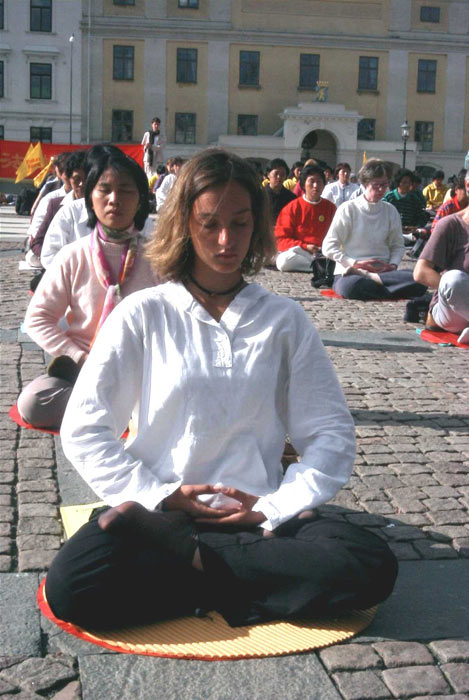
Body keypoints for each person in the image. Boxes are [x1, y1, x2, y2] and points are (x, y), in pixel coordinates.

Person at [44, 149, 397, 631]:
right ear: (184, 225)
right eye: (209, 224)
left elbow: (329, 433)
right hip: (159, 516)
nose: (226, 240)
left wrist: (275, 506)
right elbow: (85, 427)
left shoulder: (284, 319)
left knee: (369, 563)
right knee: (72, 584)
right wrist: (160, 495)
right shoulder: (144, 313)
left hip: (257, 518)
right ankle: (246, 579)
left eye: (240, 223)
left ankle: (195, 565)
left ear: (256, 227)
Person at [17, 145, 158, 429]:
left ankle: (113, 412)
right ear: (90, 198)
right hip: (84, 368)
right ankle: (120, 414)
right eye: (104, 190)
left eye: (126, 191)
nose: (114, 200)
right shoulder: (74, 255)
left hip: (143, 369)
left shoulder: (157, 257)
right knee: (33, 402)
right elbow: (37, 319)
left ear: (141, 200)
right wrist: (79, 358)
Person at [322, 159, 427, 300]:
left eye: (384, 185)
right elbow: (328, 246)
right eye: (376, 185)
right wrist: (354, 263)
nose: (381, 190)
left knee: (420, 281)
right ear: (365, 184)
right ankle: (388, 286)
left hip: (383, 271)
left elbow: (397, 245)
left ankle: (374, 279)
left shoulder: (390, 210)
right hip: (352, 272)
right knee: (351, 287)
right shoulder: (348, 209)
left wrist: (393, 265)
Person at [413, 172, 469, 344]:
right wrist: (447, 287)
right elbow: (421, 272)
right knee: (453, 280)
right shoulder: (451, 224)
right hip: (455, 307)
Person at [29, 150, 88, 262]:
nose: (82, 184)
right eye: (77, 179)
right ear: (68, 178)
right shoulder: (54, 204)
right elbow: (37, 242)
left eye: (87, 179)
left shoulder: (100, 207)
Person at [275, 165, 336, 272]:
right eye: (311, 181)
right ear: (303, 184)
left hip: (324, 252)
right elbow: (281, 240)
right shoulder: (292, 207)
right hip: (302, 252)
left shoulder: (331, 208)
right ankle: (320, 268)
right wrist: (305, 246)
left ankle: (323, 266)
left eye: (319, 182)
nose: (315, 186)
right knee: (283, 261)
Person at [264, 158, 296, 223]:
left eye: (282, 174)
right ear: (268, 174)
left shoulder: (291, 198)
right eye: (276, 174)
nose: (279, 177)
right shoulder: (260, 195)